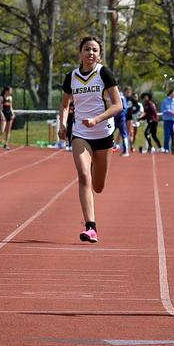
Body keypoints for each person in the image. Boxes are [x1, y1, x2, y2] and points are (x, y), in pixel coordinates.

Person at [58, 36, 123, 243]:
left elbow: (117, 105)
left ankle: (97, 164)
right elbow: (65, 105)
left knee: (98, 186)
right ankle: (91, 227)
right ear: (80, 53)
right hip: (80, 134)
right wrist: (62, 123)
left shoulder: (104, 74)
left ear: (99, 54)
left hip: (103, 133)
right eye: (87, 49)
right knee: (83, 176)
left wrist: (97, 119)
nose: (91, 53)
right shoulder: (72, 77)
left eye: (94, 50)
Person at [159, 89, 174, 153]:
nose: (173, 95)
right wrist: (168, 111)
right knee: (167, 135)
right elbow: (162, 109)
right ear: (170, 94)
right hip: (167, 120)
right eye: (172, 94)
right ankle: (166, 148)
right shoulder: (165, 101)